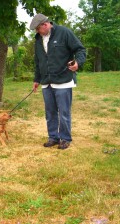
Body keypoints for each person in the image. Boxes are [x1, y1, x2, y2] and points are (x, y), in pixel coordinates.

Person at [30, 14, 86, 149]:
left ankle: (65, 138)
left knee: (64, 112)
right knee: (50, 112)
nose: (37, 32)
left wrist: (78, 63)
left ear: (45, 24)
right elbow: (38, 61)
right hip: (46, 81)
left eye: (38, 29)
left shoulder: (64, 32)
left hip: (63, 80)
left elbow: (80, 49)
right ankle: (53, 137)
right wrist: (37, 79)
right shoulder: (38, 40)